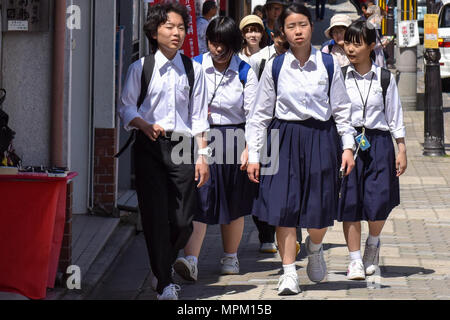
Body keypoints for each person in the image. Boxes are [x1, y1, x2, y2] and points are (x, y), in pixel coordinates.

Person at [246, 3, 356, 295]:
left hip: (322, 137)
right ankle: (289, 272)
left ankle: (316, 247)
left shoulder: (329, 64)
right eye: (291, 26)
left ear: (312, 26)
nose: (298, 31)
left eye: (303, 24)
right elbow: (259, 114)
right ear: (282, 31)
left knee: (319, 209)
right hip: (283, 138)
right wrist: (254, 154)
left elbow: (342, 110)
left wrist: (347, 147)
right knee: (284, 208)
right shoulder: (275, 66)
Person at [118, 2, 210, 300]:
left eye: (181, 27)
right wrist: (143, 124)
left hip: (183, 145)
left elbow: (199, 117)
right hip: (150, 145)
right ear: (154, 31)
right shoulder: (140, 67)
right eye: (170, 27)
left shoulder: (193, 70)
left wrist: (203, 157)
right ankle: (165, 280)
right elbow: (126, 107)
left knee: (184, 219)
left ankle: (163, 266)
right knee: (156, 215)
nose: (177, 33)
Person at [173, 16, 259, 282]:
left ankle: (230, 257)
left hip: (234, 137)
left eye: (224, 44)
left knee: (233, 201)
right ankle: (192, 260)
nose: (218, 49)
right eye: (213, 43)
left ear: (234, 44)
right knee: (200, 197)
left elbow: (255, 115)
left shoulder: (246, 71)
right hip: (202, 137)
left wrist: (250, 148)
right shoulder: (194, 66)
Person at [339, 20, 407, 280]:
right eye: (348, 42)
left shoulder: (385, 77)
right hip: (349, 143)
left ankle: (373, 244)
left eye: (357, 43)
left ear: (370, 46)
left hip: (378, 143)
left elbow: (394, 115)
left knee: (379, 201)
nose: (351, 49)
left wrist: (401, 149)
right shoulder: (341, 76)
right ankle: (355, 259)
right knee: (351, 202)